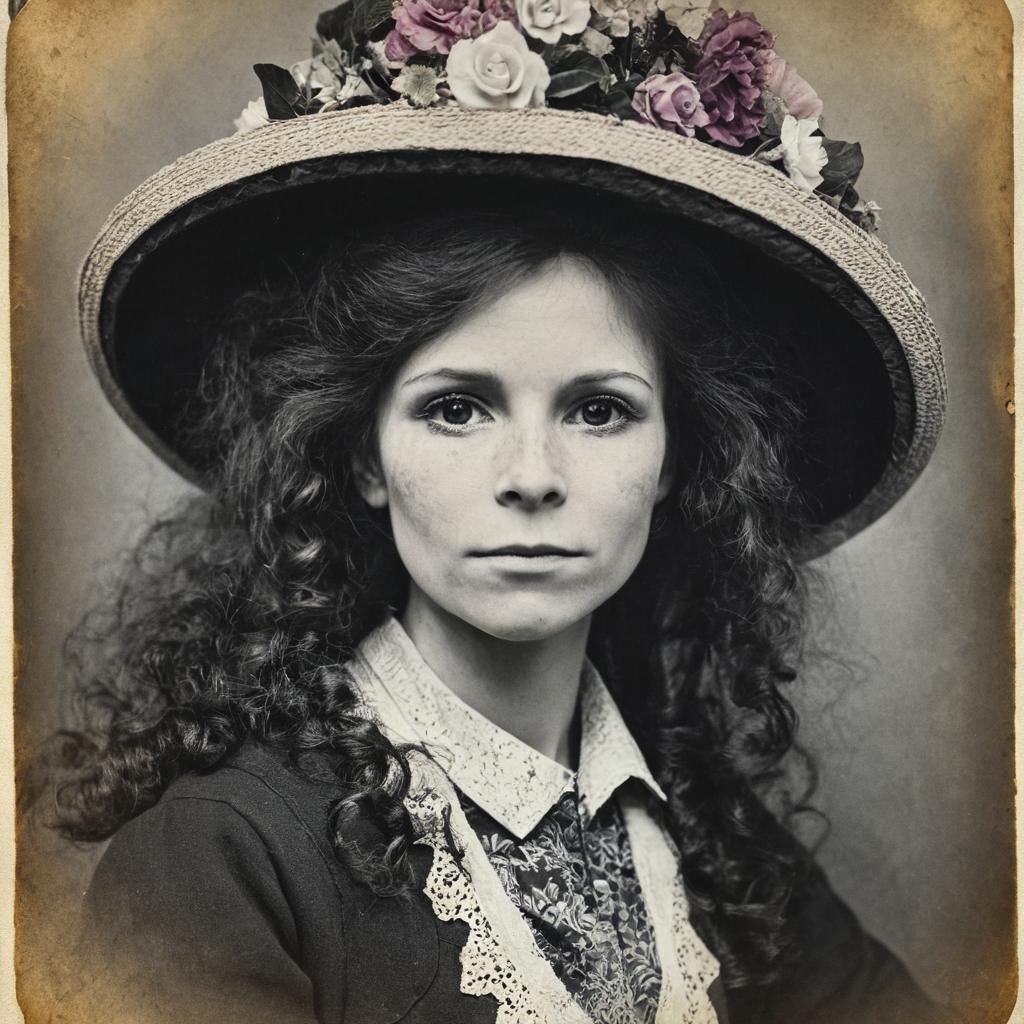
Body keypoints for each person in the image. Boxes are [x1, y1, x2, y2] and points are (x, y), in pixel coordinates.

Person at [46, 3, 955, 1023]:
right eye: (457, 408)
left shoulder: (723, 856)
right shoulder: (222, 860)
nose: (532, 474)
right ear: (364, 457)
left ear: (674, 461)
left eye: (600, 409)